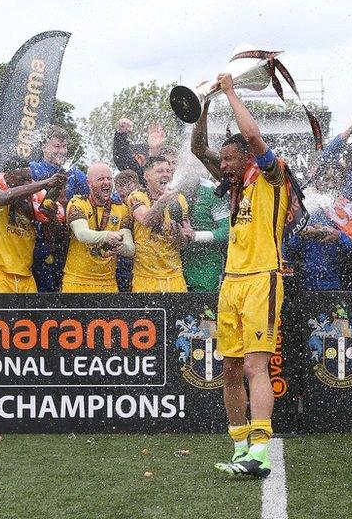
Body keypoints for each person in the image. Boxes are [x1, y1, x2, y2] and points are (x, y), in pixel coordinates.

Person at [190, 74, 304, 479]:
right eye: (221, 162)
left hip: (262, 279)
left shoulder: (273, 178)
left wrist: (231, 93)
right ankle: (240, 447)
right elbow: (196, 147)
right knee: (230, 370)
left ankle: (261, 450)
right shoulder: (234, 186)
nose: (222, 166)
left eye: (228, 160)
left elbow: (254, 137)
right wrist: (202, 104)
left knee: (258, 367)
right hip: (231, 283)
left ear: (247, 159)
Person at [0, 156, 67, 293]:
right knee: (1, 315)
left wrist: (51, 208)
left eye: (29, 179)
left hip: (26, 275)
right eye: (23, 180)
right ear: (9, 177)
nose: (28, 183)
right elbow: (4, 197)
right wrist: (45, 183)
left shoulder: (35, 195)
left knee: (29, 315)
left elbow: (56, 226)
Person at [29, 125, 89, 292]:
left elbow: (93, 192)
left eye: (64, 147)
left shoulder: (74, 173)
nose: (62, 151)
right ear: (43, 146)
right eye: (57, 146)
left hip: (64, 242)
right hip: (38, 241)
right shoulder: (34, 169)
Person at [61, 163, 134, 293]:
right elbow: (81, 234)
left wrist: (120, 247)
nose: (106, 182)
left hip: (108, 283)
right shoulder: (77, 203)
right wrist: (107, 236)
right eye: (101, 179)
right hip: (76, 281)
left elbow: (130, 249)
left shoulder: (122, 209)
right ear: (89, 183)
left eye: (109, 178)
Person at [178, 117, 230, 292]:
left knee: (204, 318)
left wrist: (196, 236)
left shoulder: (213, 192)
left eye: (194, 163)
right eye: (185, 163)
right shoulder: (173, 192)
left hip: (207, 270)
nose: (189, 167)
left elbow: (227, 231)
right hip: (176, 270)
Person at [126, 156, 192, 292]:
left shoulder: (180, 200)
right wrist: (163, 200)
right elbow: (146, 220)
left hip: (175, 278)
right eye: (160, 171)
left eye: (168, 171)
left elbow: (183, 244)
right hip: (145, 278)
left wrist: (180, 234)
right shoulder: (137, 196)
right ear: (146, 175)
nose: (166, 175)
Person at [288, 162, 352, 291]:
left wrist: (339, 236)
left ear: (341, 183)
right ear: (317, 181)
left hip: (336, 284)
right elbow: (288, 246)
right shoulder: (303, 206)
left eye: (335, 179)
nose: (330, 184)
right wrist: (301, 232)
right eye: (325, 179)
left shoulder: (348, 210)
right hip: (305, 284)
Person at [112, 169, 140, 291]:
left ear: (140, 188)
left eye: (131, 194)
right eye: (123, 196)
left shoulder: (150, 204)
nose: (129, 199)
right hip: (123, 267)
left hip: (147, 267)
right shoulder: (117, 209)